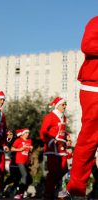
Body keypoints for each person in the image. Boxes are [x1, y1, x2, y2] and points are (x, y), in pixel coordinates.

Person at [65, 16, 98, 198]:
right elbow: (88, 45)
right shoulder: (96, 21)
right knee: (90, 139)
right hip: (94, 86)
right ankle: (76, 188)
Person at [40, 96, 69, 199]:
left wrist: (67, 136)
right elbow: (43, 132)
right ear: (57, 106)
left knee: (64, 169)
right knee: (53, 171)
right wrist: (51, 141)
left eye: (65, 104)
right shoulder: (49, 117)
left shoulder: (64, 117)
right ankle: (48, 192)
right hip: (52, 148)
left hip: (62, 147)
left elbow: (62, 131)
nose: (65, 106)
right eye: (63, 104)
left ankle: (54, 188)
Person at [11, 128, 33, 199]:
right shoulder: (18, 140)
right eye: (26, 133)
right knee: (25, 175)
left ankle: (23, 191)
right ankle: (19, 193)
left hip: (26, 161)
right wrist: (19, 149)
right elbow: (12, 149)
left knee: (29, 179)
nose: (27, 134)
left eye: (28, 133)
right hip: (19, 160)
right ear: (22, 134)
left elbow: (29, 152)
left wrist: (31, 150)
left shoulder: (30, 141)